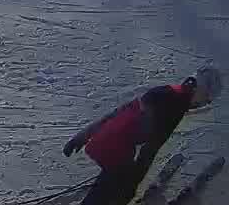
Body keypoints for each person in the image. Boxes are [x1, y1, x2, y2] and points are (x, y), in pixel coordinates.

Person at [66, 69, 218, 205]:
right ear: (201, 90)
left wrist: (83, 135)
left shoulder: (167, 90)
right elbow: (150, 149)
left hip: (105, 143)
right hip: (119, 153)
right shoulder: (176, 106)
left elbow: (121, 111)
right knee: (109, 192)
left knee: (106, 188)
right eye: (207, 99)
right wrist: (132, 185)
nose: (204, 104)